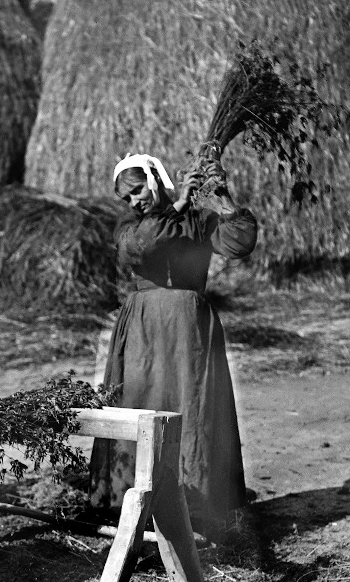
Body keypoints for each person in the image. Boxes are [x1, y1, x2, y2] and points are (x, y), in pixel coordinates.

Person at [90, 152, 258, 540]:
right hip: (144, 330)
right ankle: (137, 506)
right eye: (127, 198)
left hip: (189, 331)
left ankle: (195, 507)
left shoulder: (198, 221)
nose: (134, 202)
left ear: (155, 178)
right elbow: (143, 248)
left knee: (192, 409)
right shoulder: (130, 226)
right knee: (142, 404)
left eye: (137, 191)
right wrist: (178, 203)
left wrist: (223, 199)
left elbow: (239, 243)